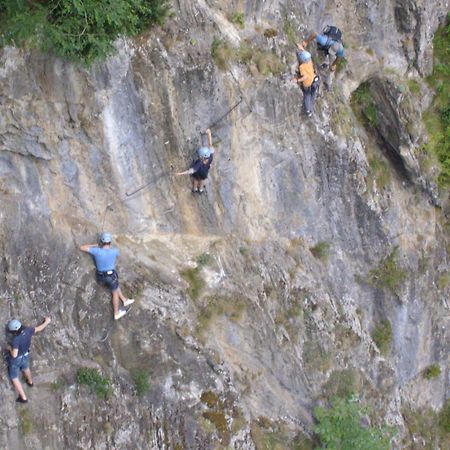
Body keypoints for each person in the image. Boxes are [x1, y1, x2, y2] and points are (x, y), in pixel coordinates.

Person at [80, 233, 134, 320]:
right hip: (110, 277)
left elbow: (82, 247)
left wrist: (95, 245)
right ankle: (116, 313)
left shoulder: (96, 251)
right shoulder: (114, 251)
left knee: (115, 285)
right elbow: (118, 254)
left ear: (101, 242)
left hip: (100, 277)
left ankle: (124, 300)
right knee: (114, 292)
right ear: (110, 242)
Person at [6, 317, 51, 403]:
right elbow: (39, 328)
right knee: (26, 368)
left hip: (16, 360)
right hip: (25, 355)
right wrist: (47, 322)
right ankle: (30, 382)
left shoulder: (16, 340)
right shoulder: (28, 330)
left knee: (14, 377)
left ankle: (23, 397)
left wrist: (9, 348)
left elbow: (14, 355)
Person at [176, 128, 214, 193]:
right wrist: (209, 134)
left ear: (202, 157)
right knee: (202, 180)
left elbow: (190, 171)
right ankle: (201, 189)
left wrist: (180, 173)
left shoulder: (199, 163)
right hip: (205, 172)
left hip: (198, 173)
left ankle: (195, 189)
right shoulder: (210, 156)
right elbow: (210, 145)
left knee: (196, 180)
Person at [293, 44, 319, 117]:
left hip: (307, 83)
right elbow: (306, 56)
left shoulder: (302, 67)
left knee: (307, 95)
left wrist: (297, 80)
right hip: (314, 80)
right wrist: (302, 49)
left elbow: (305, 77)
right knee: (313, 94)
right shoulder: (309, 61)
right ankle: (312, 108)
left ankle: (308, 110)